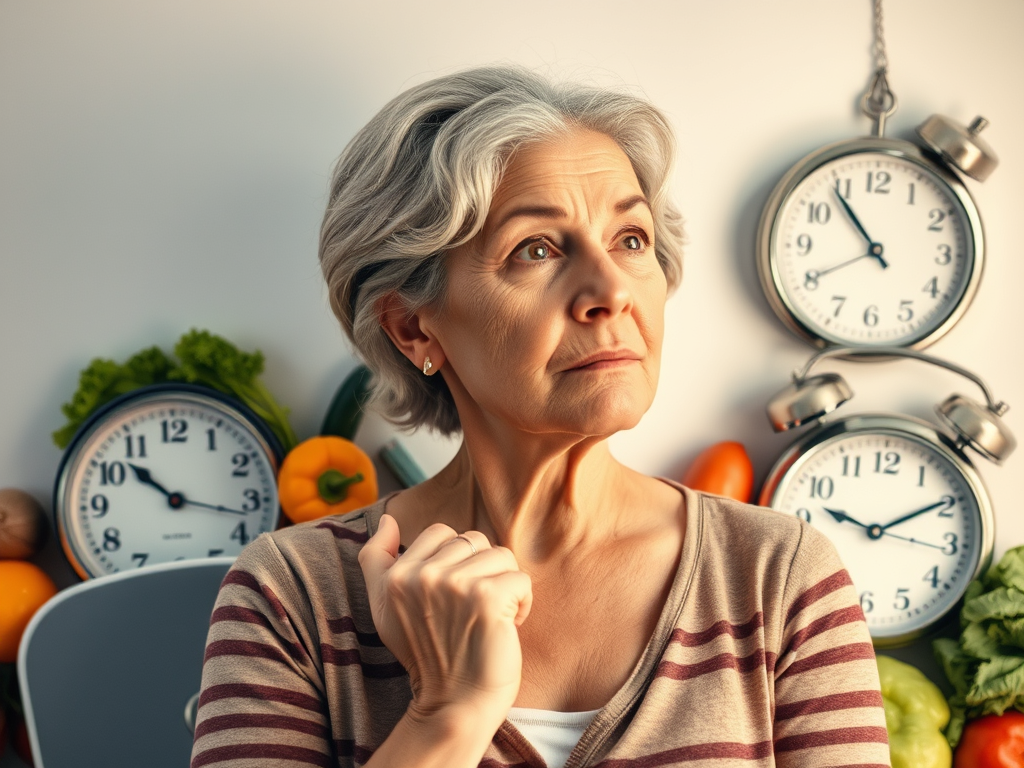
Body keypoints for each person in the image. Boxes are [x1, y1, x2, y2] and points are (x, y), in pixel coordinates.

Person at [190, 66, 890, 768]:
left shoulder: (780, 577)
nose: (611, 291)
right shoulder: (292, 596)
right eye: (537, 250)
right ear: (413, 329)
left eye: (632, 239)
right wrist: (446, 714)